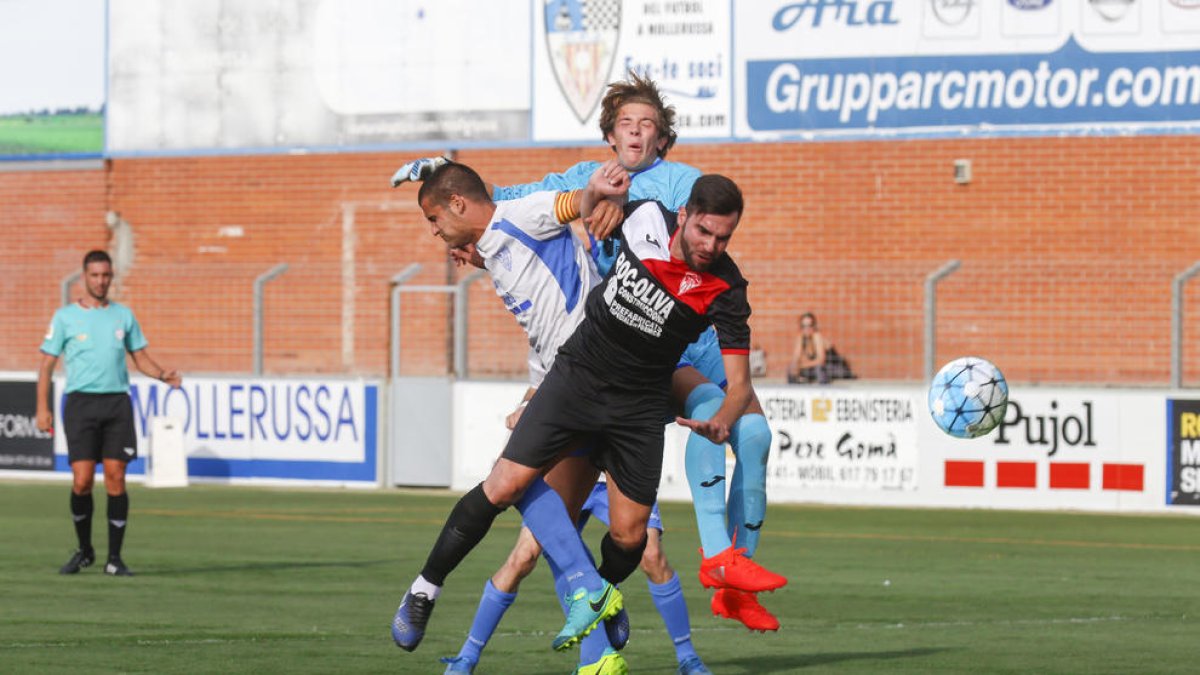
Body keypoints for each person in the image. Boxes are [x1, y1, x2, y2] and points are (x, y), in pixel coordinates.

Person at [395, 72, 784, 633]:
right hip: (600, 351)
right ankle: (555, 609)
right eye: (627, 123)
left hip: (680, 345)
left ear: (662, 138)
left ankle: (727, 572)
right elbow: (502, 201)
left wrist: (608, 203)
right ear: (610, 134)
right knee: (531, 518)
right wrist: (445, 175)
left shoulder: (683, 187)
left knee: (748, 437)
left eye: (648, 125)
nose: (637, 132)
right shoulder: (584, 182)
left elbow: (690, 240)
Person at [433, 222, 708, 674]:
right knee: (523, 556)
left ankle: (688, 659)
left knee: (648, 552)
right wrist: (526, 409)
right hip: (572, 456)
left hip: (617, 455)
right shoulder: (541, 324)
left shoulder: (599, 291)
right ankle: (467, 658)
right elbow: (545, 381)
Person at [36, 250, 182, 577]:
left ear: (111, 277)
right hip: (80, 405)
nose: (101, 281)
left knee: (116, 477)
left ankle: (114, 559)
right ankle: (84, 550)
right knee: (82, 480)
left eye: (105, 275)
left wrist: (162, 374)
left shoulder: (123, 316)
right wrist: (42, 408)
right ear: (84, 277)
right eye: (95, 275)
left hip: (117, 404)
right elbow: (46, 366)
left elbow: (140, 357)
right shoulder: (65, 317)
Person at [788, 312, 832, 384]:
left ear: (814, 326)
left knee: (819, 368)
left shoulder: (817, 336)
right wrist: (795, 366)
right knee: (791, 368)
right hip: (813, 367)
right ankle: (795, 387)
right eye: (803, 326)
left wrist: (801, 365)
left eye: (809, 325)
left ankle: (824, 389)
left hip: (830, 368)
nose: (807, 328)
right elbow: (796, 357)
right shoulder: (801, 337)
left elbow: (821, 360)